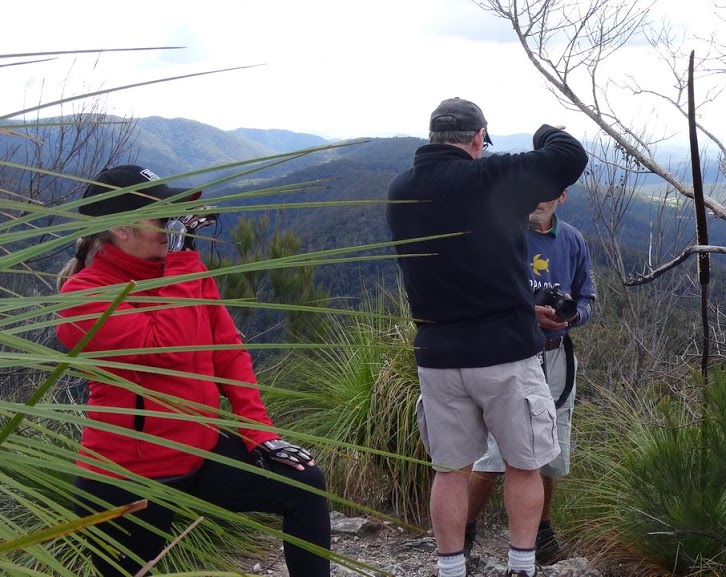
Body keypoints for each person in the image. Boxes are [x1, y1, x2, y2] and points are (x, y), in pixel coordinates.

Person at [55, 165, 331, 577]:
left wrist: (259, 431)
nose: (173, 228)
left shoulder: (187, 274)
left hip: (198, 451)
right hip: (128, 477)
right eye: (163, 219)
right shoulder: (84, 295)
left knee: (303, 484)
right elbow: (168, 348)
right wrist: (182, 262)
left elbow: (228, 352)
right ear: (120, 229)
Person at [385, 98, 588, 577]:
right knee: (524, 462)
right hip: (504, 351)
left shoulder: (400, 190)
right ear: (478, 139)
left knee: (450, 468)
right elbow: (569, 157)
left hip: (437, 354)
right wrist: (545, 130)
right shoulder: (490, 179)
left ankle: (451, 567)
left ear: (433, 135)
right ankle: (522, 565)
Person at [465, 188, 596, 564]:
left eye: (548, 192)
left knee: (548, 448)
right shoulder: (502, 235)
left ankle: (540, 533)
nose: (539, 199)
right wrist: (526, 314)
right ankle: (464, 532)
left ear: (563, 197)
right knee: (492, 455)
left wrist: (573, 316)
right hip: (506, 354)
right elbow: (480, 296)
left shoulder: (572, 240)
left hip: (555, 356)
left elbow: (587, 296)